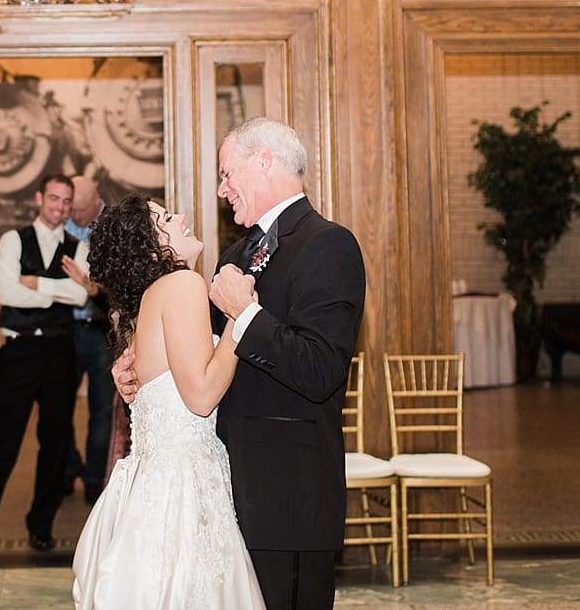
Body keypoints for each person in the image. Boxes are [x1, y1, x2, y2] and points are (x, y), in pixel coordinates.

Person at [114, 118, 365, 610]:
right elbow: (201, 355)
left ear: (264, 161)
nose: (222, 189)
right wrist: (136, 369)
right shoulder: (236, 253)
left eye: (228, 174)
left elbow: (320, 371)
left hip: (288, 496)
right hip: (225, 495)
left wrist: (246, 313)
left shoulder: (327, 244)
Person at [72, 196, 265, 609]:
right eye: (164, 218)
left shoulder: (148, 300)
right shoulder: (181, 284)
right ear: (150, 247)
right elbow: (201, 396)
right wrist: (239, 317)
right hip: (182, 485)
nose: (180, 218)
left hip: (163, 480)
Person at [0, 173, 89, 558]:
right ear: (39, 198)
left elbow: (81, 293)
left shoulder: (77, 246)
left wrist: (37, 285)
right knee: (0, 442)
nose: (60, 208)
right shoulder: (12, 240)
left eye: (66, 202)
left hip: (61, 354)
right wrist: (55, 291)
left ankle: (41, 527)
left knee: (55, 444)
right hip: (18, 353)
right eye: (54, 199)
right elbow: (7, 291)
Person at [62, 174, 112, 504]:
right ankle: (67, 468)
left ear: (96, 202)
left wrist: (91, 284)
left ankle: (95, 478)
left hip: (100, 330)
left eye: (80, 209)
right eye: (71, 208)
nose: (75, 215)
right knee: (58, 405)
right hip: (65, 328)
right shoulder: (60, 227)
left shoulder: (111, 226)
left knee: (102, 409)